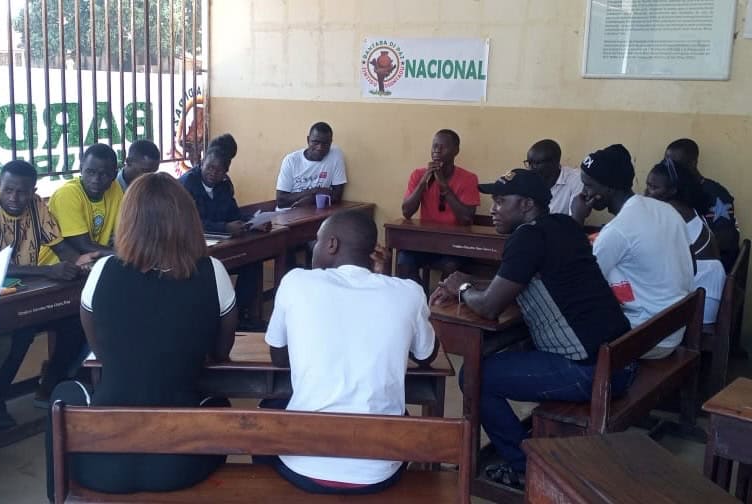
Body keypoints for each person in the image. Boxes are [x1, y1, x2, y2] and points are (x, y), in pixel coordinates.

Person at [431, 169, 633, 489]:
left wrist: (464, 287)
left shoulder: (527, 238)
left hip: (591, 371)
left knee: (474, 376)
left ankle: (525, 468)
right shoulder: (563, 225)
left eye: (501, 201)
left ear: (526, 205)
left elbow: (489, 306)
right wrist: (470, 284)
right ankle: (524, 449)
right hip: (622, 357)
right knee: (504, 353)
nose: (493, 209)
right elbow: (514, 280)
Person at [46, 172, 237, 496]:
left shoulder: (103, 271)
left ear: (128, 222)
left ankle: (57, 496)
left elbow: (100, 350)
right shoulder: (212, 271)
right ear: (187, 220)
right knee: (219, 403)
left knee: (63, 394)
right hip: (181, 467)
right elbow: (220, 352)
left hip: (99, 467)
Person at [262, 209, 437, 494]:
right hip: (379, 473)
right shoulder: (408, 292)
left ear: (332, 244)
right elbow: (426, 355)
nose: (314, 247)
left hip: (303, 468)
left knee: (267, 412)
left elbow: (279, 357)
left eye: (318, 241)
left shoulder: (296, 282)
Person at [0, 159, 102, 416]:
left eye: (22, 192)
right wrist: (49, 271)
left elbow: (62, 250)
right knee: (20, 333)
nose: (14, 198)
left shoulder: (37, 206)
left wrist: (79, 264)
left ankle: (51, 385)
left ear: (33, 191)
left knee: (76, 320)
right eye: (8, 190)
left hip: (26, 295)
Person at [572, 144, 694, 359]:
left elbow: (578, 284)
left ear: (609, 188)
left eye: (589, 185)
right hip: (672, 328)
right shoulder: (666, 210)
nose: (584, 193)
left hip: (643, 337)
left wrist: (576, 220)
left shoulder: (617, 230)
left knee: (553, 331)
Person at [179, 133, 270, 330]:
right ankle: (211, 320)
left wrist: (252, 222)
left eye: (220, 170)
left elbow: (233, 213)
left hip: (223, 246)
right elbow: (188, 221)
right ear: (202, 162)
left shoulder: (224, 186)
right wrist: (224, 228)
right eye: (210, 167)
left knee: (252, 261)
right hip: (193, 248)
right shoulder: (187, 184)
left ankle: (239, 316)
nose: (213, 173)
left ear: (226, 172)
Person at [644, 159, 727, 324]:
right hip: (701, 289)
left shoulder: (670, 212)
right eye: (647, 185)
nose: (647, 193)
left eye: (654, 187)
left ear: (672, 190)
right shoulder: (684, 207)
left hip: (703, 298)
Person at [398, 129, 481, 282]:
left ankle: (441, 297)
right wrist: (423, 182)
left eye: (443, 147)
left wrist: (444, 185)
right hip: (425, 242)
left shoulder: (469, 178)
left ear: (456, 151)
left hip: (455, 244)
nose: (437, 150)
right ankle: (419, 295)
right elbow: (406, 212)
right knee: (404, 260)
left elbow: (466, 219)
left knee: (451, 265)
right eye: (435, 146)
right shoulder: (418, 175)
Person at [37, 143, 123, 265]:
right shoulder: (67, 194)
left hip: (89, 265)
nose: (96, 180)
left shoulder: (115, 188)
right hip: (53, 268)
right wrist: (127, 255)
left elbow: (124, 232)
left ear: (114, 175)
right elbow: (83, 246)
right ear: (81, 168)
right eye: (90, 172)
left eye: (103, 174)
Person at [665, 138, 740, 271]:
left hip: (710, 266)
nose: (670, 168)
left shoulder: (715, 193)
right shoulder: (672, 191)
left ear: (692, 163)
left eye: (676, 164)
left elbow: (726, 240)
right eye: (667, 163)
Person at [275, 122, 347, 209]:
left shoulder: (335, 155)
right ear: (308, 140)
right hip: (287, 213)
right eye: (315, 142)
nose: (320, 147)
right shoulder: (291, 160)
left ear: (331, 143)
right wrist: (314, 191)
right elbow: (281, 201)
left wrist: (312, 199)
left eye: (325, 143)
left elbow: (337, 197)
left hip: (315, 212)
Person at [522, 139, 583, 216]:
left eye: (536, 163)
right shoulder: (528, 181)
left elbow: (575, 219)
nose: (530, 168)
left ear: (554, 163)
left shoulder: (575, 179)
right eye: (529, 163)